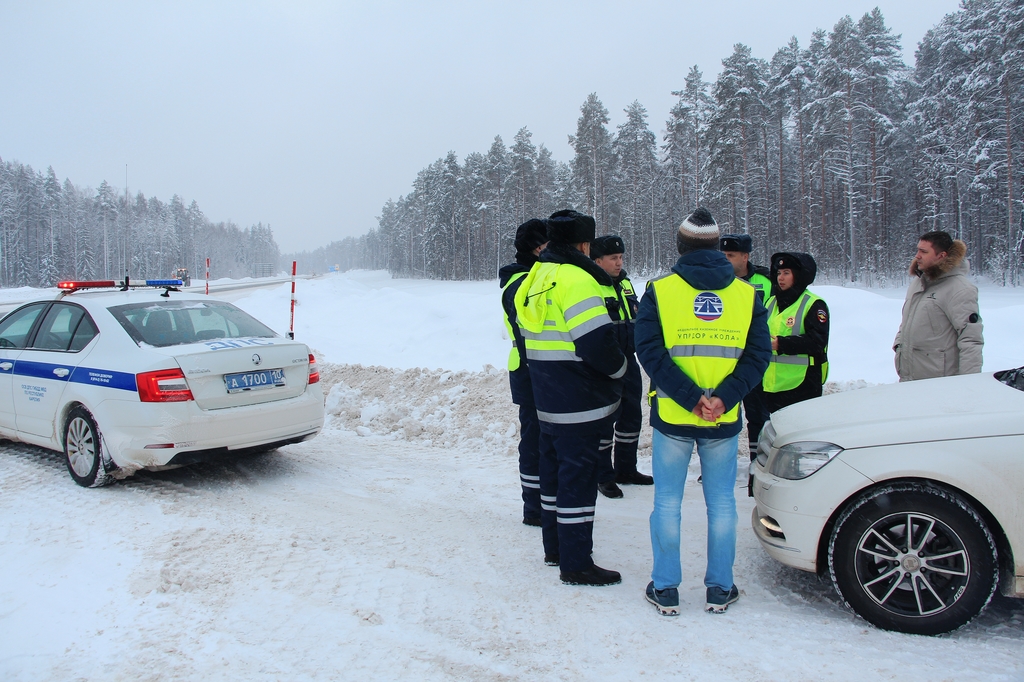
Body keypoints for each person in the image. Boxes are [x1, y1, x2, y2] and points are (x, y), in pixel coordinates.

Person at [634, 207, 771, 615]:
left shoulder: (660, 291)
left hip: (675, 417)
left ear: (680, 247)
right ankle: (720, 588)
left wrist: (689, 397)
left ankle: (665, 588)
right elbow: (758, 355)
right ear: (716, 246)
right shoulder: (748, 295)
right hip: (723, 419)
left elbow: (650, 352)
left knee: (668, 502)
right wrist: (723, 398)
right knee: (723, 504)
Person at [514, 209, 627, 587]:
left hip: (546, 394)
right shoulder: (577, 278)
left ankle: (555, 549)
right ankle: (576, 563)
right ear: (583, 244)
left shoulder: (537, 274)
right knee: (578, 479)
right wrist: (620, 370)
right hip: (579, 397)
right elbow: (597, 342)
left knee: (553, 476)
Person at [590, 235, 654, 500]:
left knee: (631, 416)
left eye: (621, 258)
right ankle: (603, 475)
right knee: (605, 420)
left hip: (629, 360)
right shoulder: (592, 286)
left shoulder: (626, 283)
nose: (619, 263)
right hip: (604, 365)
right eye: (613, 259)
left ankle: (626, 469)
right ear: (597, 261)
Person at [499, 218, 549, 527]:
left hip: (539, 369)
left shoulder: (533, 276)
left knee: (543, 438)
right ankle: (533, 506)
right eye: (547, 245)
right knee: (534, 440)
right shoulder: (519, 282)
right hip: (530, 371)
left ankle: (544, 501)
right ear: (536, 248)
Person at [893, 231, 983, 381]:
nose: (917, 256)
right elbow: (907, 322)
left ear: (941, 256)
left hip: (940, 384)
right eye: (918, 250)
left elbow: (971, 340)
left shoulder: (959, 289)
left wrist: (968, 385)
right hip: (910, 378)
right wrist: (899, 345)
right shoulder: (918, 283)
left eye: (924, 251)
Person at [719, 233, 772, 459]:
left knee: (758, 415)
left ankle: (757, 462)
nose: (725, 260)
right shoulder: (716, 279)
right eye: (722, 255)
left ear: (745, 257)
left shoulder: (766, 281)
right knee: (721, 413)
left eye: (730, 255)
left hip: (753, 358)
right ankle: (717, 461)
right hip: (725, 357)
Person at [760, 252, 829, 414]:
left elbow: (817, 341)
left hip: (802, 383)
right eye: (778, 273)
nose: (780, 278)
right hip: (772, 383)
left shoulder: (813, 304)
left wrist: (781, 344)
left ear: (798, 276)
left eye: (786, 273)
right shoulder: (771, 302)